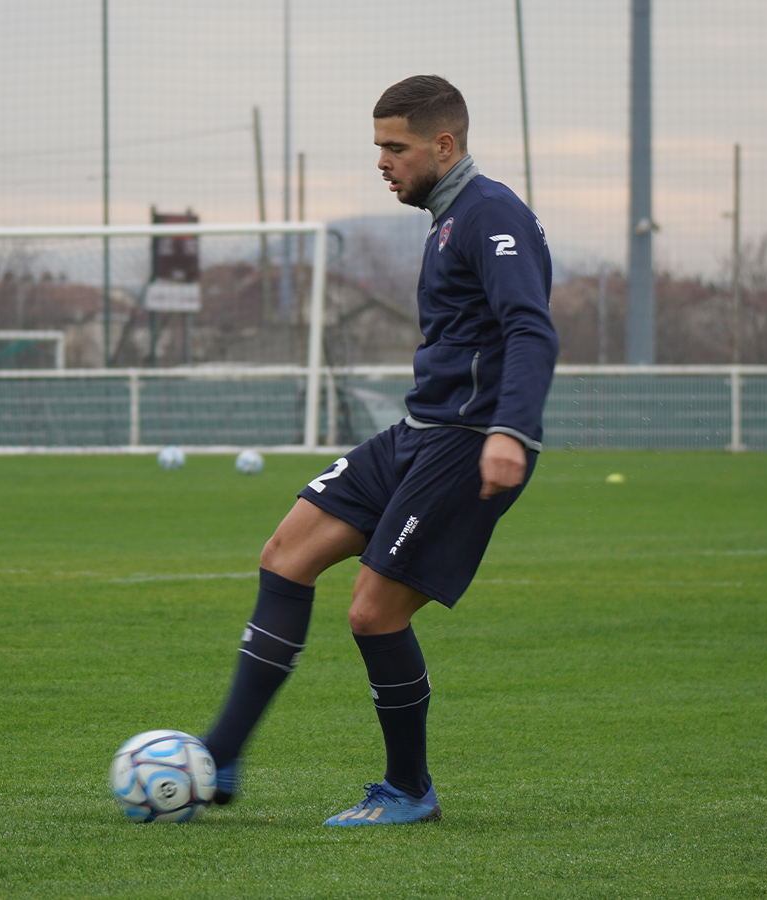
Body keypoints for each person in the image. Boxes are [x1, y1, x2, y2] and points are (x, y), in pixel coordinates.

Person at [200, 74, 559, 826]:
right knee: (286, 552)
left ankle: (408, 790)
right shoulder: (447, 219)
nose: (383, 161)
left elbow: (530, 327)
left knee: (373, 614)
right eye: (379, 147)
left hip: (467, 444)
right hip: (419, 432)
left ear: (444, 143)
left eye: (395, 147)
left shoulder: (492, 214)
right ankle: (218, 758)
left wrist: (510, 431)